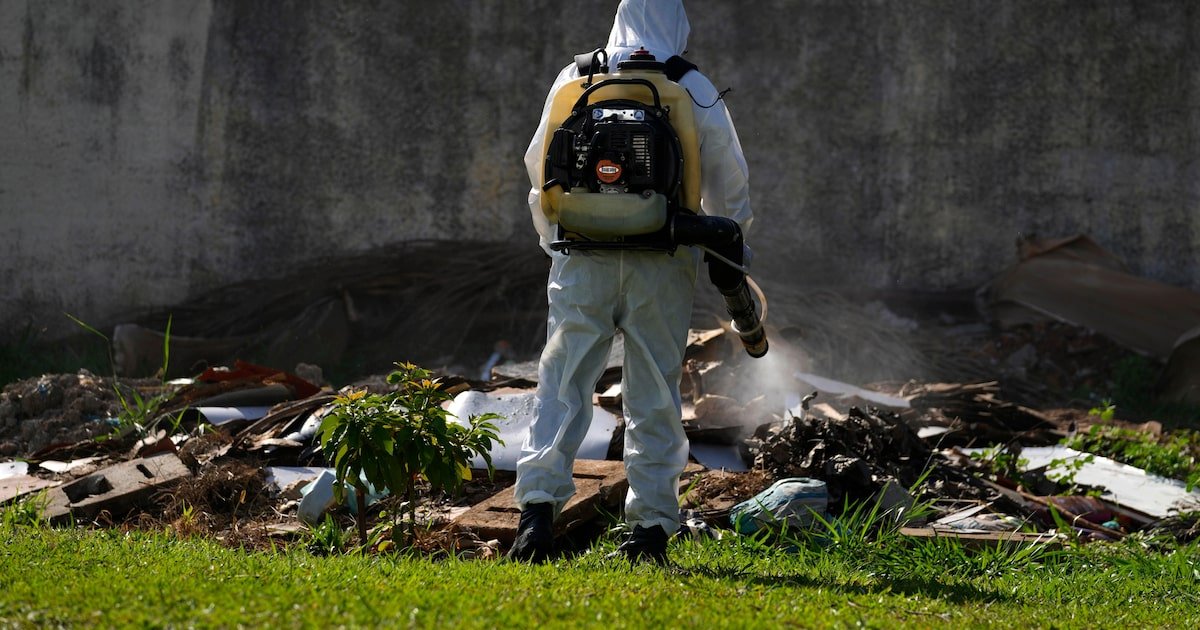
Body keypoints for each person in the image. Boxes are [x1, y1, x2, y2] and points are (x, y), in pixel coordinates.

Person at [510, 0, 753, 564]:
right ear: (678, 22)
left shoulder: (576, 76)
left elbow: (537, 165)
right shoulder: (689, 85)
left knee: (563, 385)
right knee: (653, 395)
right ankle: (648, 531)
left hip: (581, 256)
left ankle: (536, 518)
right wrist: (726, 246)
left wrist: (557, 244)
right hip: (661, 259)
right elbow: (729, 182)